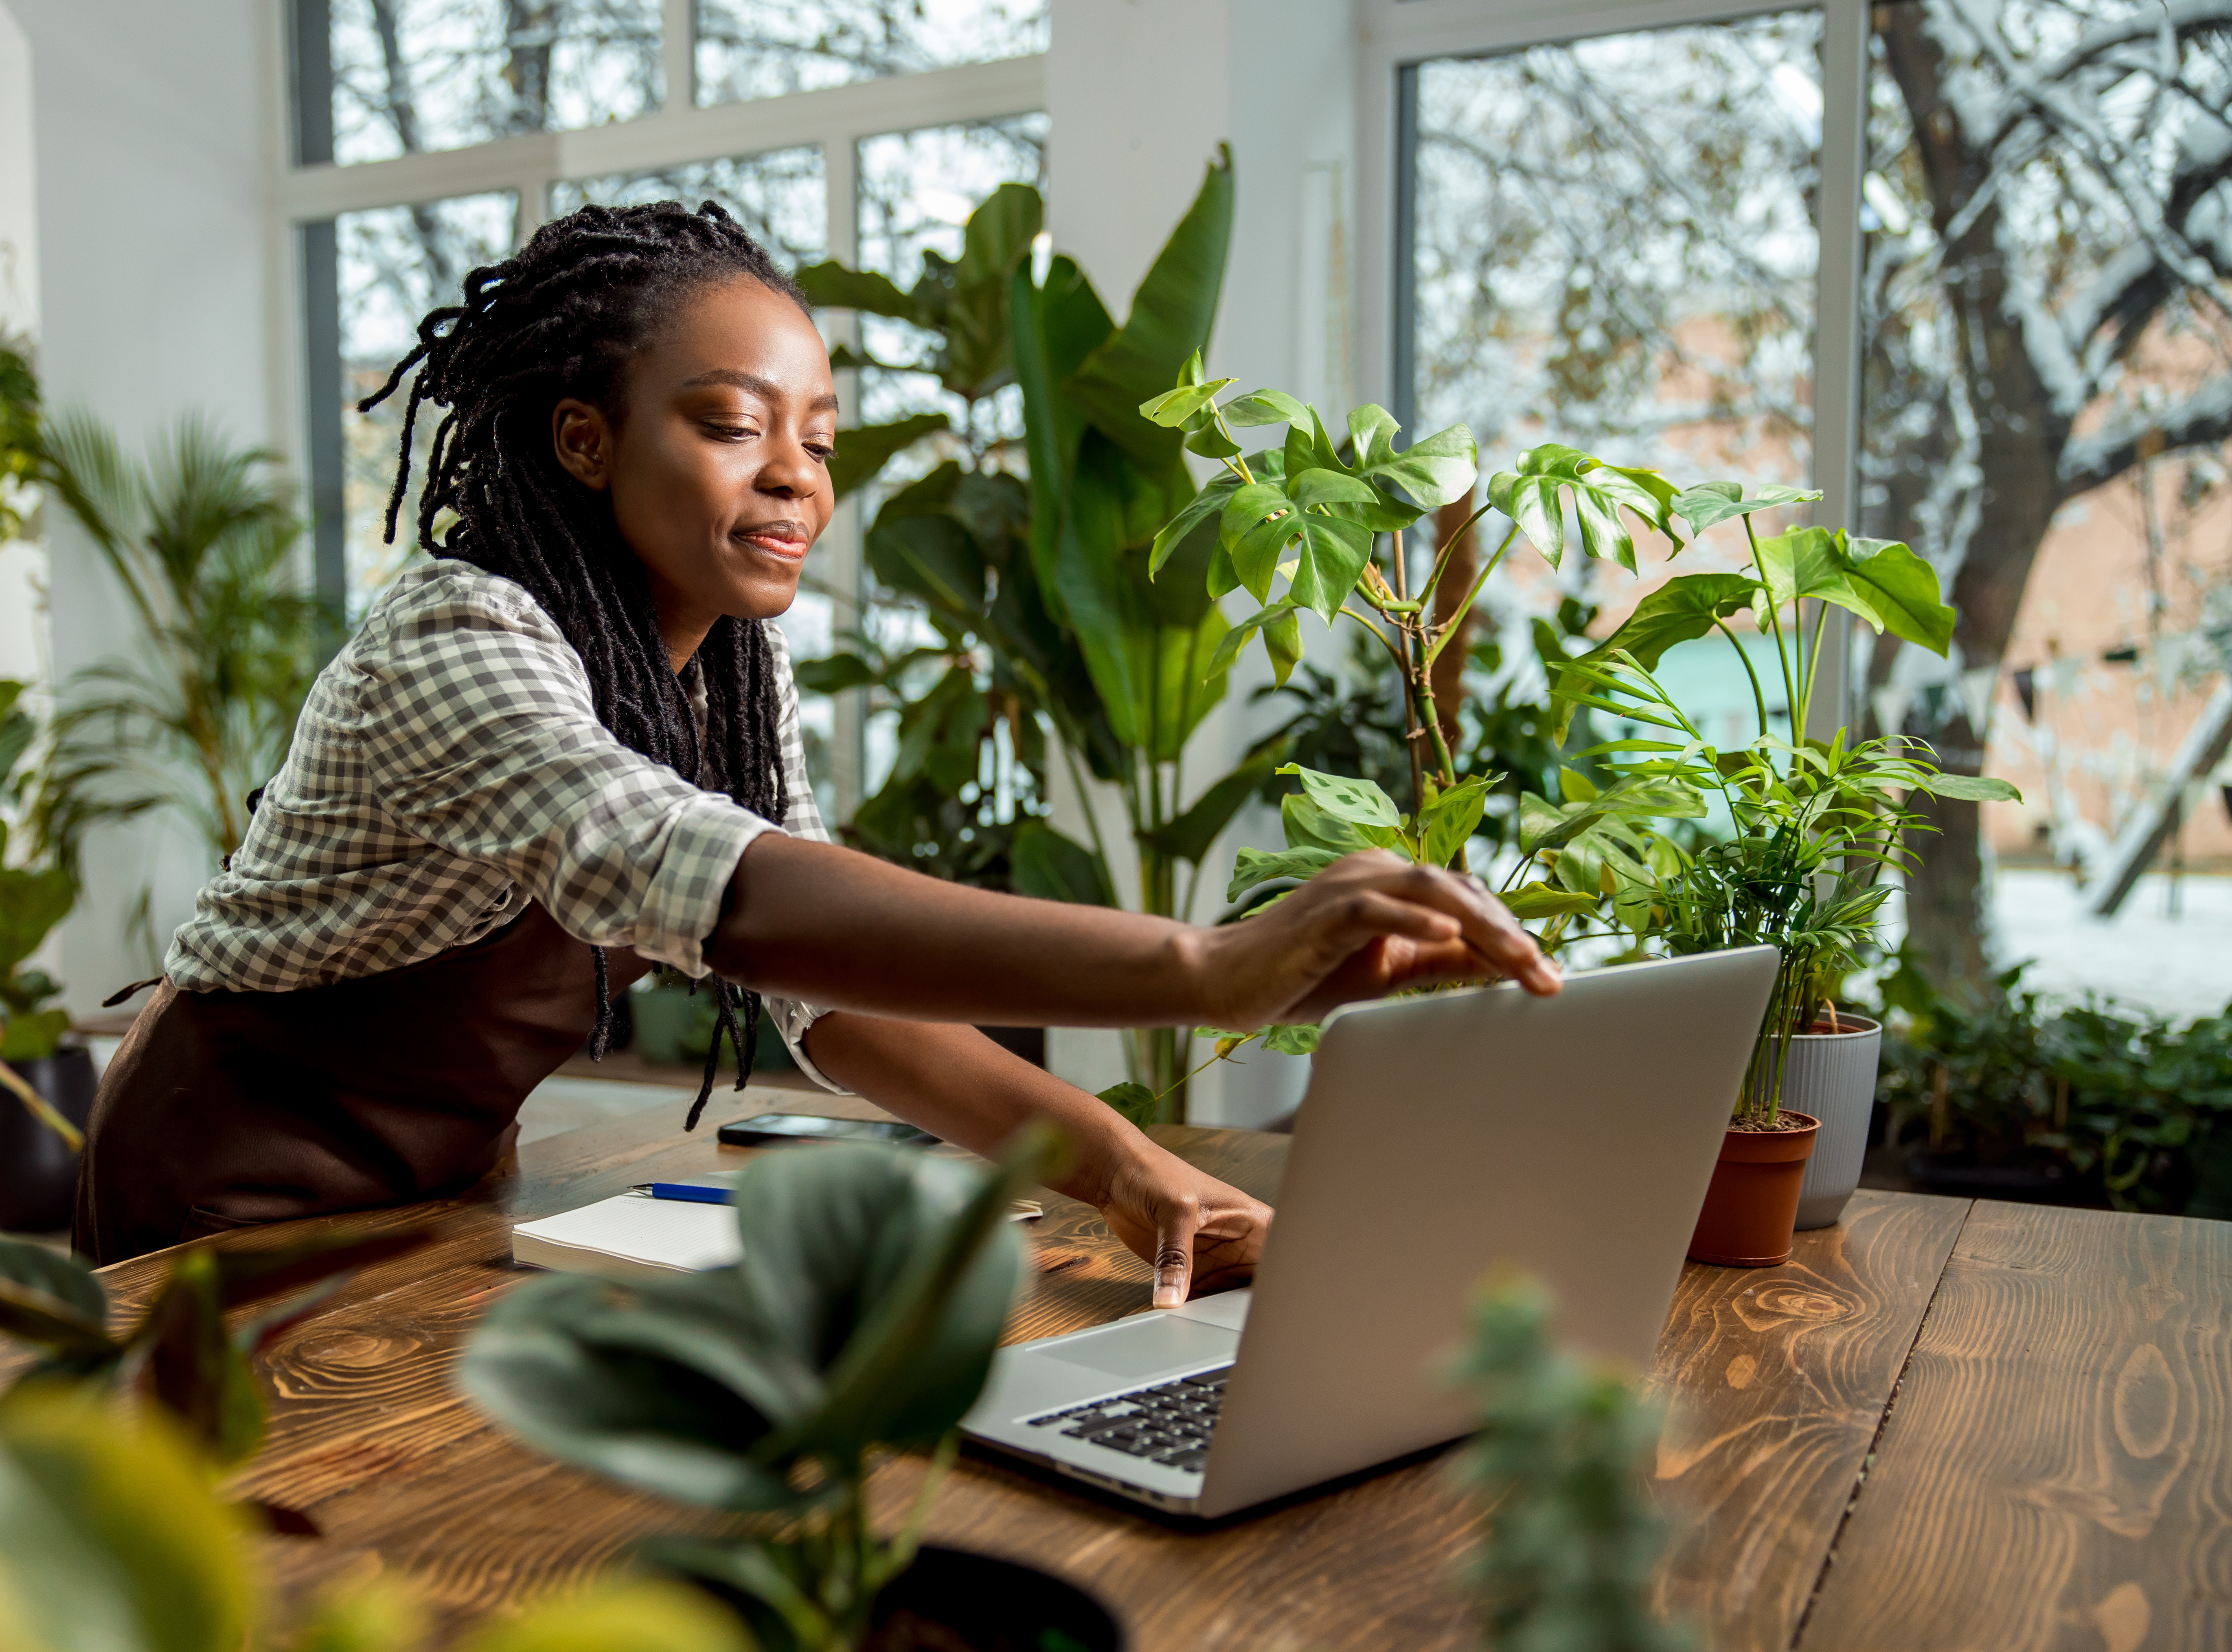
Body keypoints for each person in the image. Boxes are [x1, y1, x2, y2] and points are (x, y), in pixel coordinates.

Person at [75, 199, 1560, 1304]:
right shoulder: (456, 638)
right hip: (221, 1195)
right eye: (734, 426)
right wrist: (1204, 965)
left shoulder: (728, 665)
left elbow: (821, 997)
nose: (796, 475)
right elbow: (718, 885)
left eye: (822, 440)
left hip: (445, 1192)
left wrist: (1122, 1166)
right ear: (587, 442)